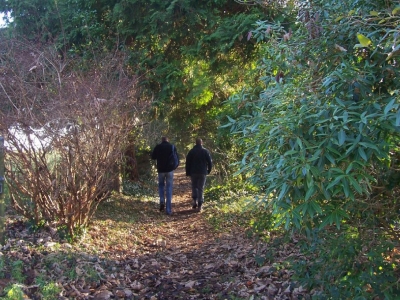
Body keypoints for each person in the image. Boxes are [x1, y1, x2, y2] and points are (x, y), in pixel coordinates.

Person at [151, 137, 179, 215]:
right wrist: (174, 167)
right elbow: (177, 158)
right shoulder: (172, 146)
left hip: (161, 170)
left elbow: (153, 157)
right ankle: (168, 210)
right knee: (169, 188)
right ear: (168, 140)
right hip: (170, 170)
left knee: (161, 186)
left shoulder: (158, 147)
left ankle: (162, 200)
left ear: (162, 140)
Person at [185, 138, 212, 212]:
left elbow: (187, 162)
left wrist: (188, 172)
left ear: (195, 143)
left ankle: (194, 201)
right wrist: (208, 171)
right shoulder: (205, 151)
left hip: (193, 172)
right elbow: (210, 162)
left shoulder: (191, 151)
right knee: (200, 188)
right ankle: (200, 205)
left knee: (194, 186)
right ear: (201, 143)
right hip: (203, 172)